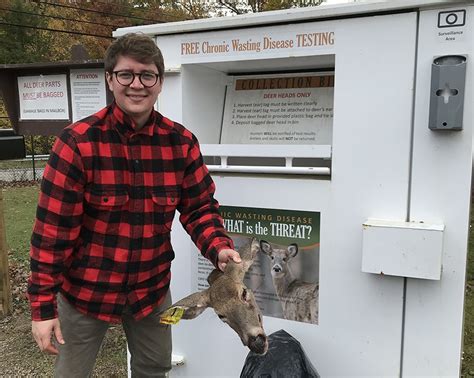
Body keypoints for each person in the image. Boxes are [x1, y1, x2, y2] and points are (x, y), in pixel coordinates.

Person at [27, 32, 241, 378]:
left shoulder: (181, 143)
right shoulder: (77, 143)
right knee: (71, 373)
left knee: (154, 369)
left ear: (159, 83)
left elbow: (199, 207)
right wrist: (42, 308)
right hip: (86, 290)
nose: (136, 85)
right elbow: (52, 234)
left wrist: (219, 248)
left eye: (147, 75)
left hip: (150, 290)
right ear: (110, 80)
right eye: (126, 75)